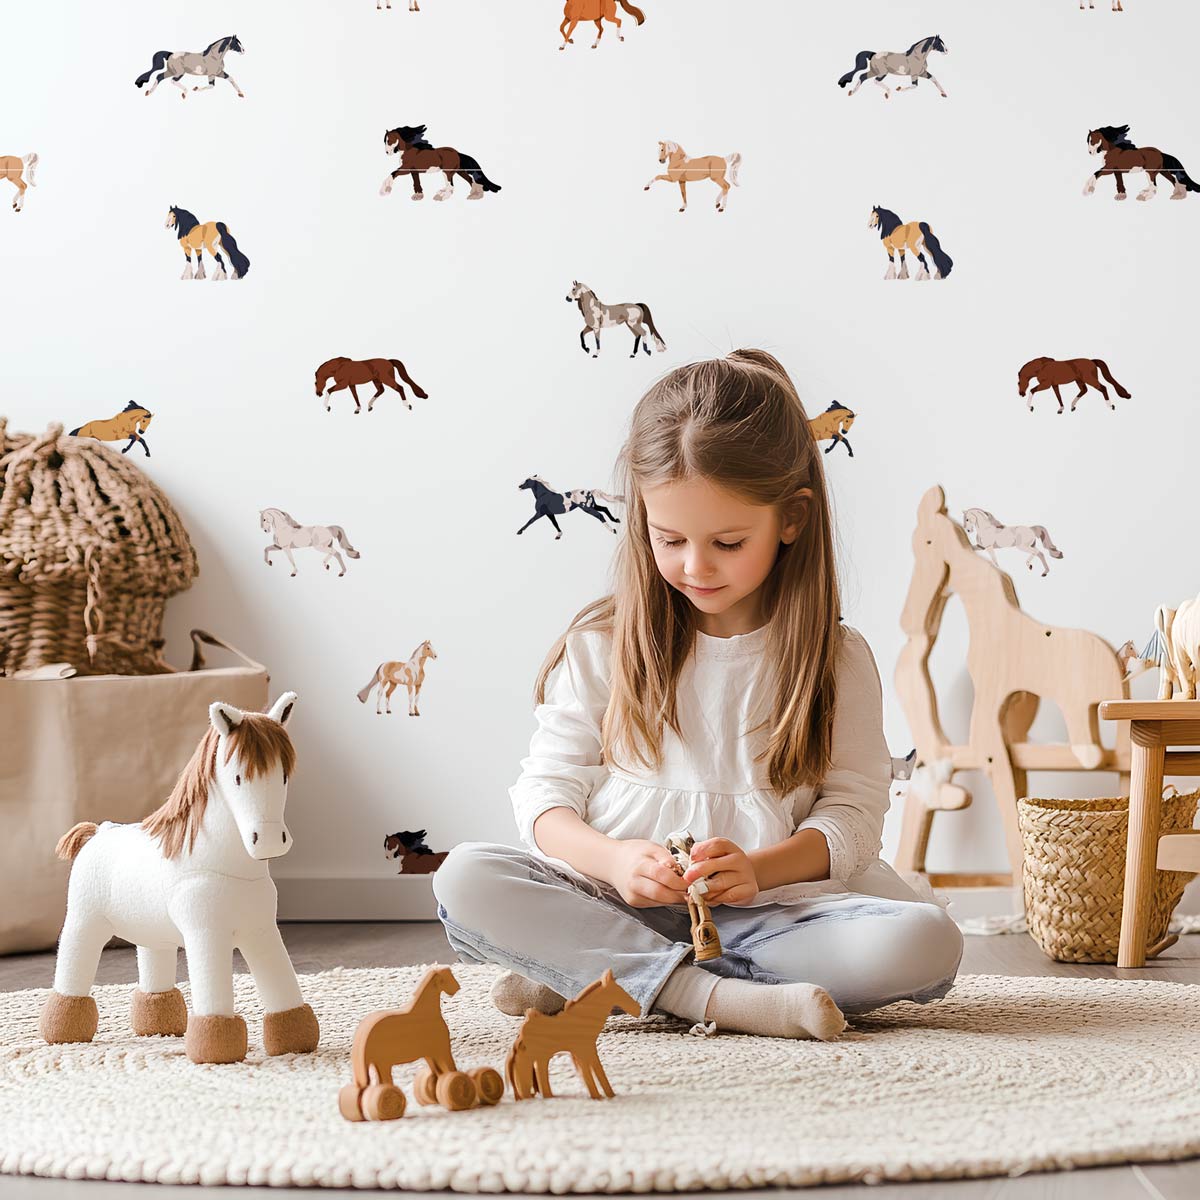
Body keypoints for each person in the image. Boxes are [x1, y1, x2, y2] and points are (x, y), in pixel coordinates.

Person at [433, 348, 963, 1040]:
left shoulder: (836, 658)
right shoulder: (602, 642)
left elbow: (854, 818)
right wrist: (617, 861)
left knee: (928, 940)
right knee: (465, 877)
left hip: (772, 918)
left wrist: (758, 871)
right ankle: (713, 997)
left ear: (792, 519)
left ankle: (593, 972)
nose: (694, 565)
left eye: (728, 542)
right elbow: (545, 797)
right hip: (615, 901)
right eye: (670, 539)